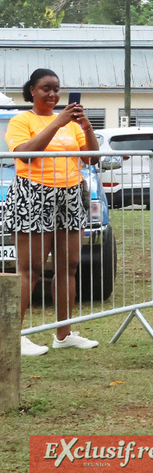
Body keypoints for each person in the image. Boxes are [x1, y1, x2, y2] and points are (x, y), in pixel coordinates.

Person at [4, 68, 100, 356]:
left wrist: (87, 127)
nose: (53, 94)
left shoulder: (72, 125)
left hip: (69, 193)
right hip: (34, 193)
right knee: (30, 268)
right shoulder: (21, 120)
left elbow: (92, 158)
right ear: (32, 90)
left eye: (56, 89)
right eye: (46, 88)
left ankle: (64, 333)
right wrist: (57, 123)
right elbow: (25, 152)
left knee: (68, 265)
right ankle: (15, 336)